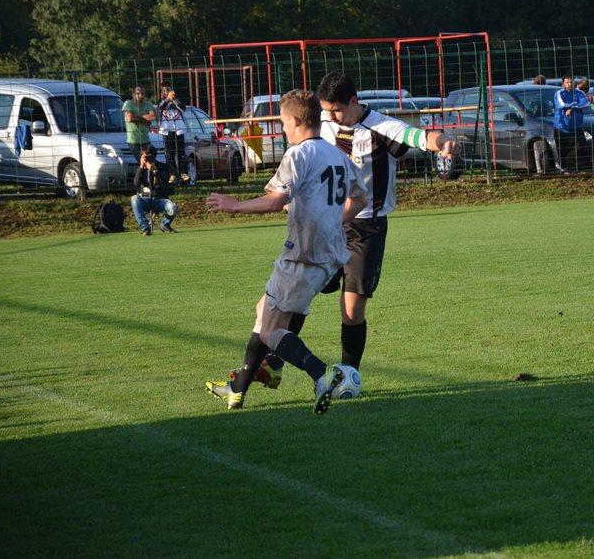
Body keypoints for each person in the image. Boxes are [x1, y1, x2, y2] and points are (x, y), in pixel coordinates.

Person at [230, 72, 457, 393]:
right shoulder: (321, 123)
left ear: (353, 101)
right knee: (295, 298)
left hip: (365, 227)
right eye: (325, 110)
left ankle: (348, 376)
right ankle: (274, 364)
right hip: (326, 227)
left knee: (351, 309)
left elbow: (420, 137)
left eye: (336, 110)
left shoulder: (381, 126)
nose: (330, 117)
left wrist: (443, 143)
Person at [205, 89, 367, 413]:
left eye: (282, 122)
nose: (282, 129)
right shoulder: (337, 155)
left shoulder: (298, 154)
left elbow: (277, 199)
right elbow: (360, 199)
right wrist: (330, 220)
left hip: (301, 254)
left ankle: (322, 374)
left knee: (270, 330)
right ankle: (237, 389)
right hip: (329, 256)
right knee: (264, 308)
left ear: (294, 121)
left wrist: (234, 206)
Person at [130, 145, 178, 236]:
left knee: (173, 208)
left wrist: (154, 171)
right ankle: (145, 228)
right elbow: (136, 183)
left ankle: (165, 224)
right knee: (134, 199)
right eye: (144, 157)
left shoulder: (163, 167)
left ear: (154, 156)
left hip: (160, 198)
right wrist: (141, 167)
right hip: (145, 197)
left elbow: (163, 185)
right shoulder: (141, 169)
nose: (147, 159)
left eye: (149, 157)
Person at [553, 74, 591, 171]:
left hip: (576, 126)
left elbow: (585, 103)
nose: (570, 84)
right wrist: (575, 105)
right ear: (563, 83)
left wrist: (572, 108)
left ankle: (568, 166)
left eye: (571, 82)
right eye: (567, 82)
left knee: (580, 147)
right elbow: (561, 104)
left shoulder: (579, 93)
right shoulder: (559, 93)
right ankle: (563, 168)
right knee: (563, 150)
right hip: (562, 126)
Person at [157, 85, 189, 184]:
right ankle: (172, 173)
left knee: (180, 152)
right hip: (166, 130)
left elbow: (183, 109)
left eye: (169, 90)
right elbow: (160, 107)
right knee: (169, 153)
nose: (168, 92)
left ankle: (183, 172)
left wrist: (173, 100)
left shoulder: (177, 100)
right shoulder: (161, 102)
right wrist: (167, 99)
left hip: (179, 129)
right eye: (165, 91)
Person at [122, 86, 155, 162]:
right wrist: (145, 120)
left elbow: (153, 116)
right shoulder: (128, 103)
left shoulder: (148, 104)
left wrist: (136, 117)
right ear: (133, 94)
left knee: (149, 162)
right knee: (142, 162)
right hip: (134, 141)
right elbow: (129, 118)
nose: (140, 95)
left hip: (146, 140)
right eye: (138, 93)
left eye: (142, 93)